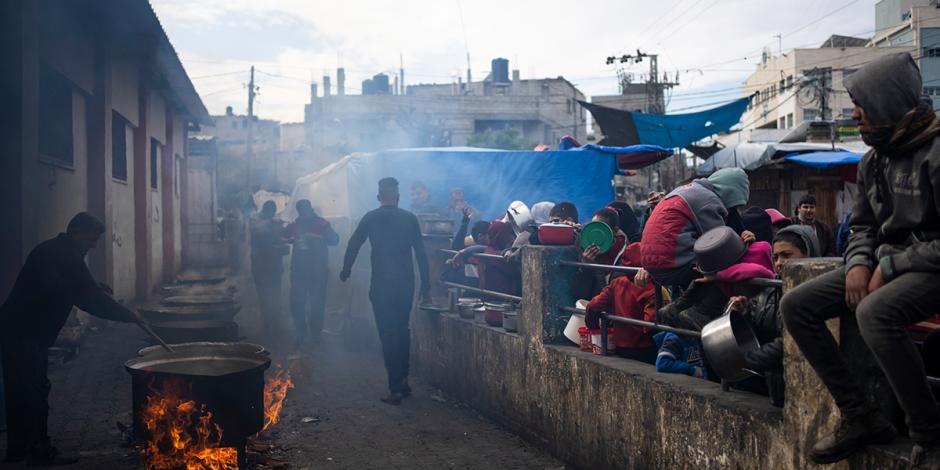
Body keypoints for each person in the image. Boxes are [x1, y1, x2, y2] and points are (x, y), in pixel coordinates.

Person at [781, 52, 940, 466]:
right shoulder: (874, 159)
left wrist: (889, 267)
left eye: (861, 105)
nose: (855, 114)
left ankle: (929, 432)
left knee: (874, 313)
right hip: (887, 263)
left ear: (887, 103)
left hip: (931, 265)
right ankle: (861, 414)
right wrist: (857, 263)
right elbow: (863, 226)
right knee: (796, 305)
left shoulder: (936, 153)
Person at [0, 213, 143, 465]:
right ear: (76, 231)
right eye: (92, 238)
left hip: (17, 329)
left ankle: (18, 450)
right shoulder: (64, 255)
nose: (93, 244)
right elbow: (89, 299)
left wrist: (96, 287)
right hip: (25, 333)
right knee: (34, 391)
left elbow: (73, 285)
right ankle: (39, 452)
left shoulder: (55, 250)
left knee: (20, 390)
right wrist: (129, 317)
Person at [340, 178, 430, 405]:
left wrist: (346, 269)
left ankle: (395, 388)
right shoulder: (409, 219)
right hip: (405, 284)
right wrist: (426, 284)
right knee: (402, 329)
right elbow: (421, 253)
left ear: (379, 197)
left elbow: (353, 244)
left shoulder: (371, 218)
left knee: (388, 334)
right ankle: (404, 380)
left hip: (381, 285)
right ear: (398, 198)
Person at [642, 168, 750, 327]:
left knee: (709, 268)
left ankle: (676, 307)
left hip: (652, 264)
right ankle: (701, 313)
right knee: (729, 269)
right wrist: (744, 242)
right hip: (674, 263)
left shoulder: (687, 190)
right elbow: (718, 243)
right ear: (730, 192)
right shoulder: (709, 200)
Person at [584, 243, 657, 364]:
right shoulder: (652, 288)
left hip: (620, 348)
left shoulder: (617, 283)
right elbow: (650, 325)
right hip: (646, 349)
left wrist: (594, 328)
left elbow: (592, 306)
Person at [285, 200, 339, 348]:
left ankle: (316, 335)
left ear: (310, 209)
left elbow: (335, 240)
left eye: (306, 210)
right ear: (299, 212)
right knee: (297, 303)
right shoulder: (294, 226)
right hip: (298, 272)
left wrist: (319, 237)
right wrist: (289, 239)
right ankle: (300, 334)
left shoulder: (322, 224)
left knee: (317, 304)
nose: (304, 214)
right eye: (301, 211)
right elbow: (281, 236)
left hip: (318, 272)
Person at [250, 201, 288, 335]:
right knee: (265, 295)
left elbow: (278, 239)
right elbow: (261, 240)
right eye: (270, 212)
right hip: (260, 265)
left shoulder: (273, 222)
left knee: (274, 294)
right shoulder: (256, 221)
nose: (272, 215)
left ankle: (275, 323)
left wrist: (283, 243)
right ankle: (267, 324)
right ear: (266, 211)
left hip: (274, 265)